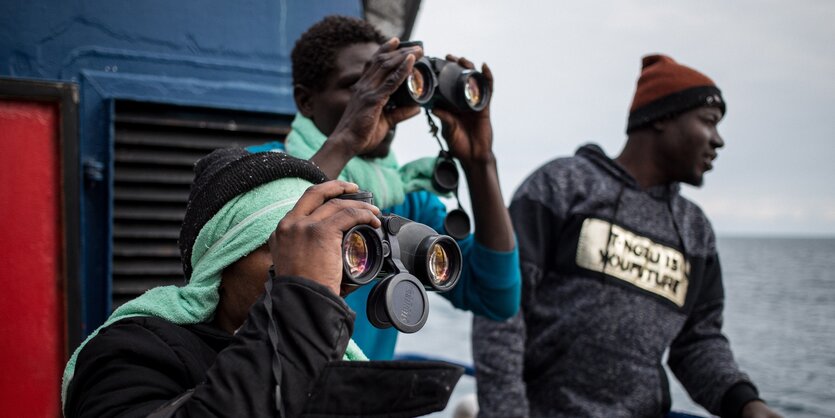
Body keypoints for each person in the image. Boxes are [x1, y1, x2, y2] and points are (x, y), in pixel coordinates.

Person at [471, 55, 783, 418]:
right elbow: (502, 310)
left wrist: (745, 403)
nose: (718, 141)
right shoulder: (562, 185)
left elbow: (698, 341)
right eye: (709, 122)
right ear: (663, 116)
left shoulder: (696, 233)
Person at [62, 149, 463, 417]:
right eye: (287, 247)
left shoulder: (319, 350)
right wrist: (303, 300)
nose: (323, 266)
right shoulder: (126, 352)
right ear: (223, 258)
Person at [248, 15, 520, 360]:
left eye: (386, 85)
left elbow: (496, 296)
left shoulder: (404, 198)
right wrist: (347, 138)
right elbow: (259, 255)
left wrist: (480, 162)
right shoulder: (259, 169)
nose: (379, 99)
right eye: (357, 86)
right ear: (306, 101)